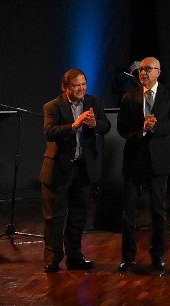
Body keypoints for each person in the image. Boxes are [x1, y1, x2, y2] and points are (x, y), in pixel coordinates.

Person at [39, 68, 111, 273]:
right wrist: (74, 125)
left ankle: (75, 256)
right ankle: (52, 259)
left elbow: (106, 126)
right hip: (58, 169)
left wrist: (95, 123)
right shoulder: (52, 106)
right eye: (76, 85)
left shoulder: (94, 103)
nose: (81, 89)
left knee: (78, 216)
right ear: (65, 87)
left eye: (83, 85)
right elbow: (49, 132)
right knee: (54, 217)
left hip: (83, 169)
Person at [117, 56, 170, 272]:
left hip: (159, 161)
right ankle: (128, 256)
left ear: (158, 72)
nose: (143, 72)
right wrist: (143, 129)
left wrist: (156, 127)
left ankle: (158, 254)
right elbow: (122, 129)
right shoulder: (128, 96)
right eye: (140, 69)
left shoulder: (169, 93)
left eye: (148, 69)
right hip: (134, 161)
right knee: (129, 212)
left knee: (158, 211)